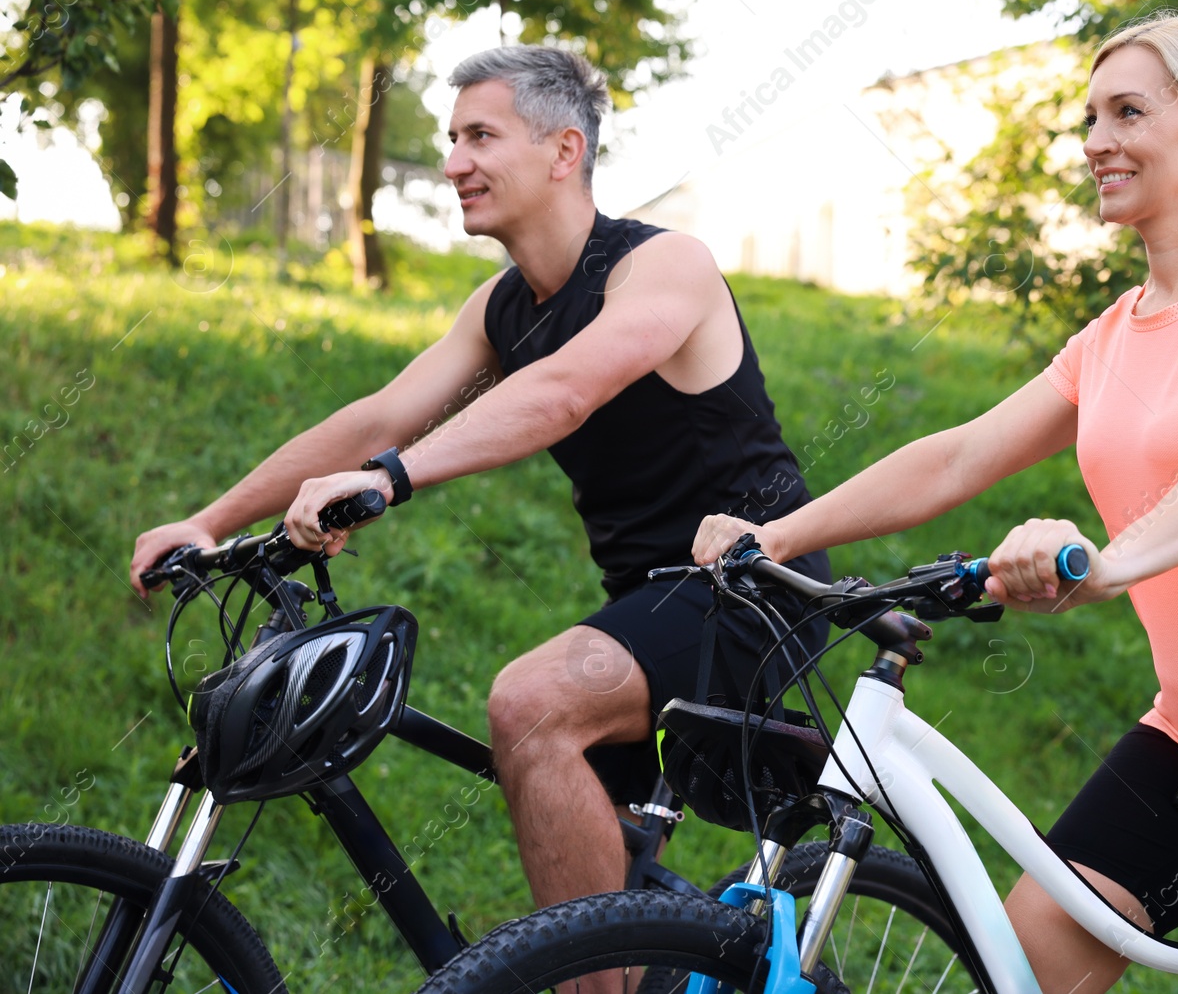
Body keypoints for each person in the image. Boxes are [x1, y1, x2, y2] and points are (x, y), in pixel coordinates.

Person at [694, 12, 1178, 994]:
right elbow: (960, 456)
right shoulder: (1111, 336)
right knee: (1022, 975)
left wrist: (1109, 563)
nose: (1095, 141)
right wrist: (778, 533)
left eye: (1127, 112)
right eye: (1089, 118)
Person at [129, 45, 829, 910]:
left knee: (531, 704)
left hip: (760, 584)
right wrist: (212, 520)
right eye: (452, 137)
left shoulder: (664, 264)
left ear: (563, 150)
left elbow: (567, 390)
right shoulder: (504, 307)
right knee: (608, 900)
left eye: (480, 136)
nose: (454, 162)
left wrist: (390, 478)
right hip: (643, 600)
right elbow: (379, 416)